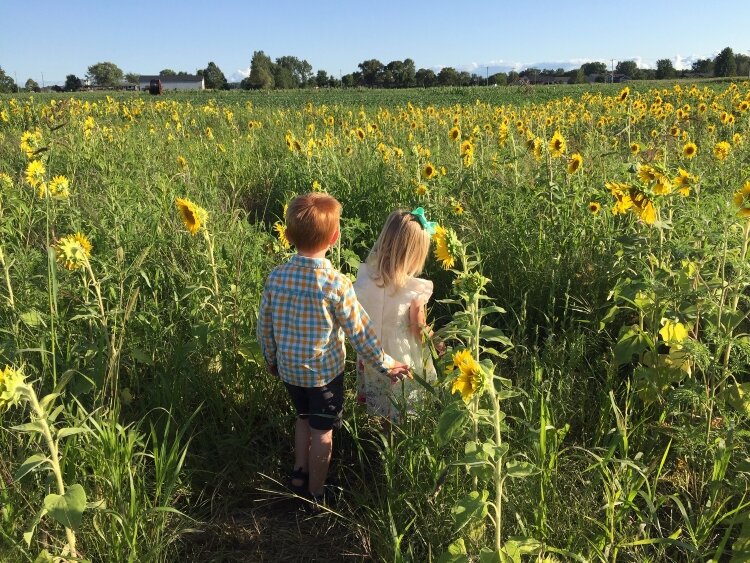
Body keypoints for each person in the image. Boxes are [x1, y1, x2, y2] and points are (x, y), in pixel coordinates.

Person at [256, 193, 409, 504]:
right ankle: (316, 491)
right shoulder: (336, 284)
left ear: (286, 237)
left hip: (289, 370)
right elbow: (360, 333)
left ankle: (299, 471)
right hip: (324, 377)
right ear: (335, 237)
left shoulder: (276, 277)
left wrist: (270, 358)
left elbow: (265, 325)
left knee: (302, 418)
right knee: (322, 431)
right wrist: (385, 364)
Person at [354, 207, 439, 422]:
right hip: (402, 357)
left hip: (373, 353)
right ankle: (397, 441)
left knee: (380, 399)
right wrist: (436, 342)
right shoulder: (414, 290)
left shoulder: (364, 280)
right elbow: (418, 328)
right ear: (415, 255)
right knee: (402, 402)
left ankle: (381, 432)